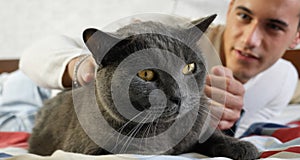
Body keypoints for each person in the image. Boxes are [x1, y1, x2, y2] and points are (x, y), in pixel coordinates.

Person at [19, 0, 300, 137]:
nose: (249, 38)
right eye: (243, 15)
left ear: (296, 37)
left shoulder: (282, 80)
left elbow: (231, 134)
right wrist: (87, 68)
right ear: (229, 9)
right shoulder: (173, 34)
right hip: (33, 95)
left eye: (274, 26)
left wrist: (225, 122)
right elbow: (34, 54)